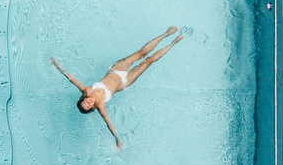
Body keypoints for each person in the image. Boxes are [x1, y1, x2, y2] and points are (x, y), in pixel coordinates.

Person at [51, 27, 184, 149]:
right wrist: (117, 139)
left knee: (142, 52)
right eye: (89, 106)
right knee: (148, 61)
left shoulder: (86, 90)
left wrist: (57, 66)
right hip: (125, 81)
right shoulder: (101, 106)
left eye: (86, 102)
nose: (89, 102)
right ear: (92, 108)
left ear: (84, 99)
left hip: (116, 69)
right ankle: (173, 43)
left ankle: (166, 33)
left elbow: (71, 78)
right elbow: (109, 124)